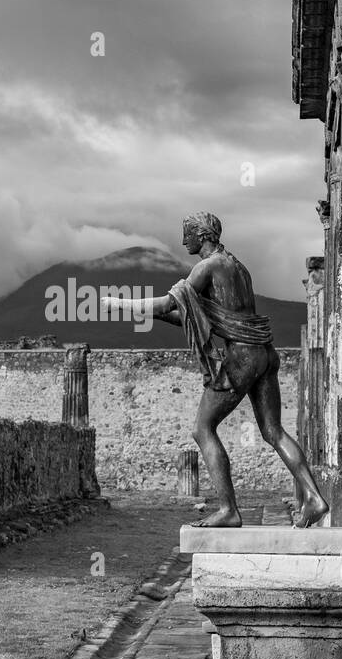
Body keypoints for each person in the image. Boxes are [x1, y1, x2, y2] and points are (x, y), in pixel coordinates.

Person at [102, 212, 329, 528]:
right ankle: (314, 497)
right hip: (265, 352)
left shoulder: (206, 268)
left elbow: (166, 305)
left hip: (242, 357)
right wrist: (156, 315)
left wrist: (119, 304)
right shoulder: (236, 266)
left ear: (200, 233)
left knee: (202, 429)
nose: (184, 242)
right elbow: (197, 318)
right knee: (273, 431)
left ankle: (228, 510)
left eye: (187, 234)